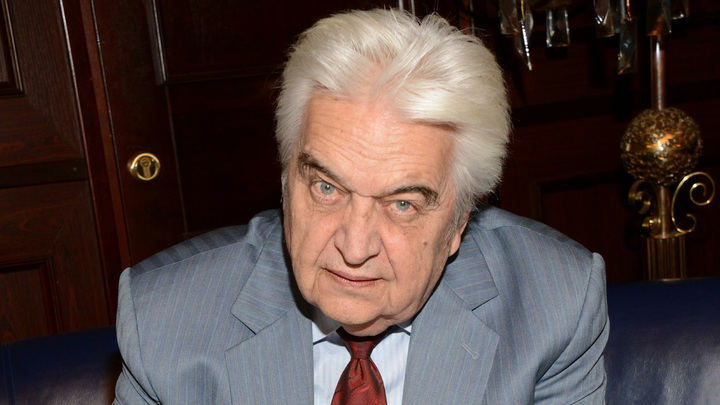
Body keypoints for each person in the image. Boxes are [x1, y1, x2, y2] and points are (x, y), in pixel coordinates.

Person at [113, 8, 608, 404]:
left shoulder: (553, 307)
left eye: (402, 204)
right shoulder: (163, 323)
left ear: (460, 220)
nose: (353, 248)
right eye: (327, 188)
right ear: (285, 182)